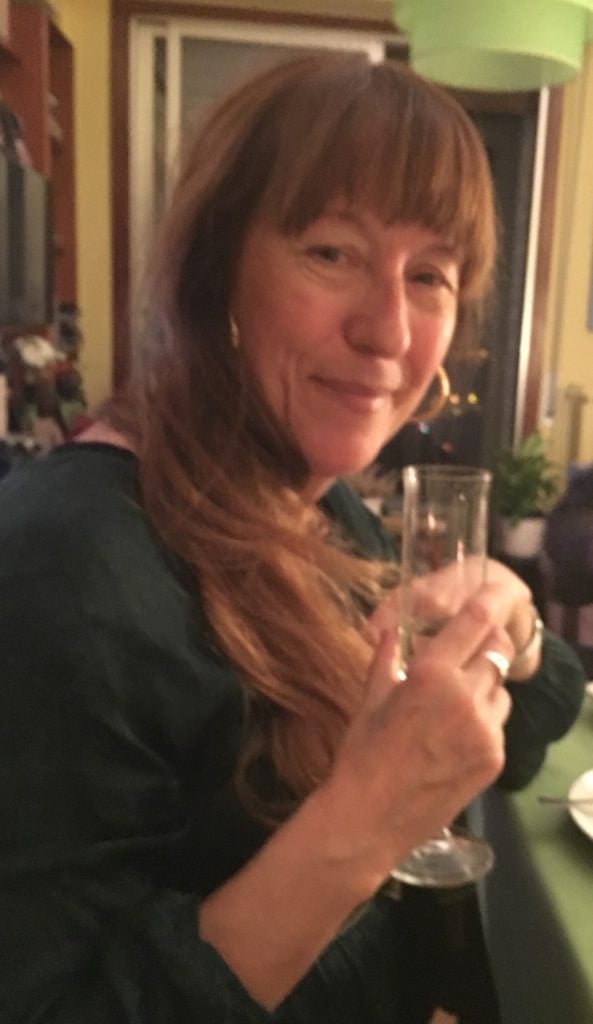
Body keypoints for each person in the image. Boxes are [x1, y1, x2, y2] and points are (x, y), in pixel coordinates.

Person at [0, 53, 585, 1023]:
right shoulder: (64, 564)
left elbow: (513, 737)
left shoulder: (312, 505)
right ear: (216, 270)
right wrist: (363, 818)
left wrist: (513, 630)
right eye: (331, 253)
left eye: (429, 276)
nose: (387, 331)